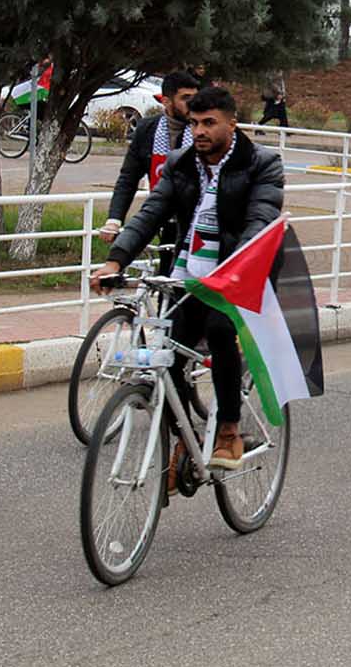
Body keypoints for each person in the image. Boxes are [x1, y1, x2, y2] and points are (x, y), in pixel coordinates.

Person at [91, 85, 283, 474]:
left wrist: (230, 275)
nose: (200, 131)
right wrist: (115, 261)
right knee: (167, 353)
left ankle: (229, 428)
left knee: (218, 328)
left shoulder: (262, 163)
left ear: (232, 123)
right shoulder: (181, 162)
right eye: (194, 123)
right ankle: (186, 440)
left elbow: (259, 223)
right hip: (189, 274)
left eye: (210, 123)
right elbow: (152, 213)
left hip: (241, 273)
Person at [100, 70, 202, 271]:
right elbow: (128, 178)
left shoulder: (203, 129)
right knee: (165, 278)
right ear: (166, 101)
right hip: (163, 218)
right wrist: (114, 219)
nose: (193, 104)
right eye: (186, 98)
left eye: (195, 98)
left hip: (199, 222)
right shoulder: (148, 129)